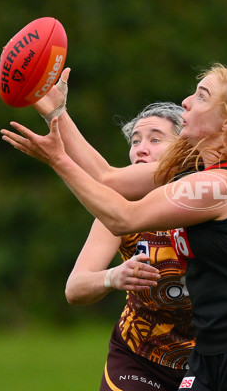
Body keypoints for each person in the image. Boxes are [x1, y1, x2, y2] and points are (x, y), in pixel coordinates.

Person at [1, 64, 227, 391]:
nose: (186, 101)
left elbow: (123, 216)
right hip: (213, 354)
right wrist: (56, 112)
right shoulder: (196, 173)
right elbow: (108, 177)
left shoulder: (220, 184)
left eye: (202, 96)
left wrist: (59, 161)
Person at [65, 102, 194, 391]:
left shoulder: (206, 197)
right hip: (138, 356)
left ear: (184, 148)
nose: (141, 148)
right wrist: (113, 276)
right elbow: (75, 288)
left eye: (155, 139)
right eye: (135, 141)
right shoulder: (119, 208)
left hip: (208, 359)